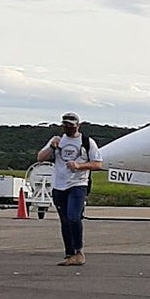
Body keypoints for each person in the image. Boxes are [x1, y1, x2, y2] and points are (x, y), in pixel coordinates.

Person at [37, 111, 103, 267]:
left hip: (78, 184)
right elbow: (40, 158)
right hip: (59, 186)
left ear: (77, 126)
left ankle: (79, 251)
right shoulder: (58, 141)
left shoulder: (87, 142)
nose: (68, 128)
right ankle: (69, 253)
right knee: (65, 220)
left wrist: (79, 165)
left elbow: (98, 164)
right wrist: (52, 148)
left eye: (71, 126)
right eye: (65, 125)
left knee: (74, 217)